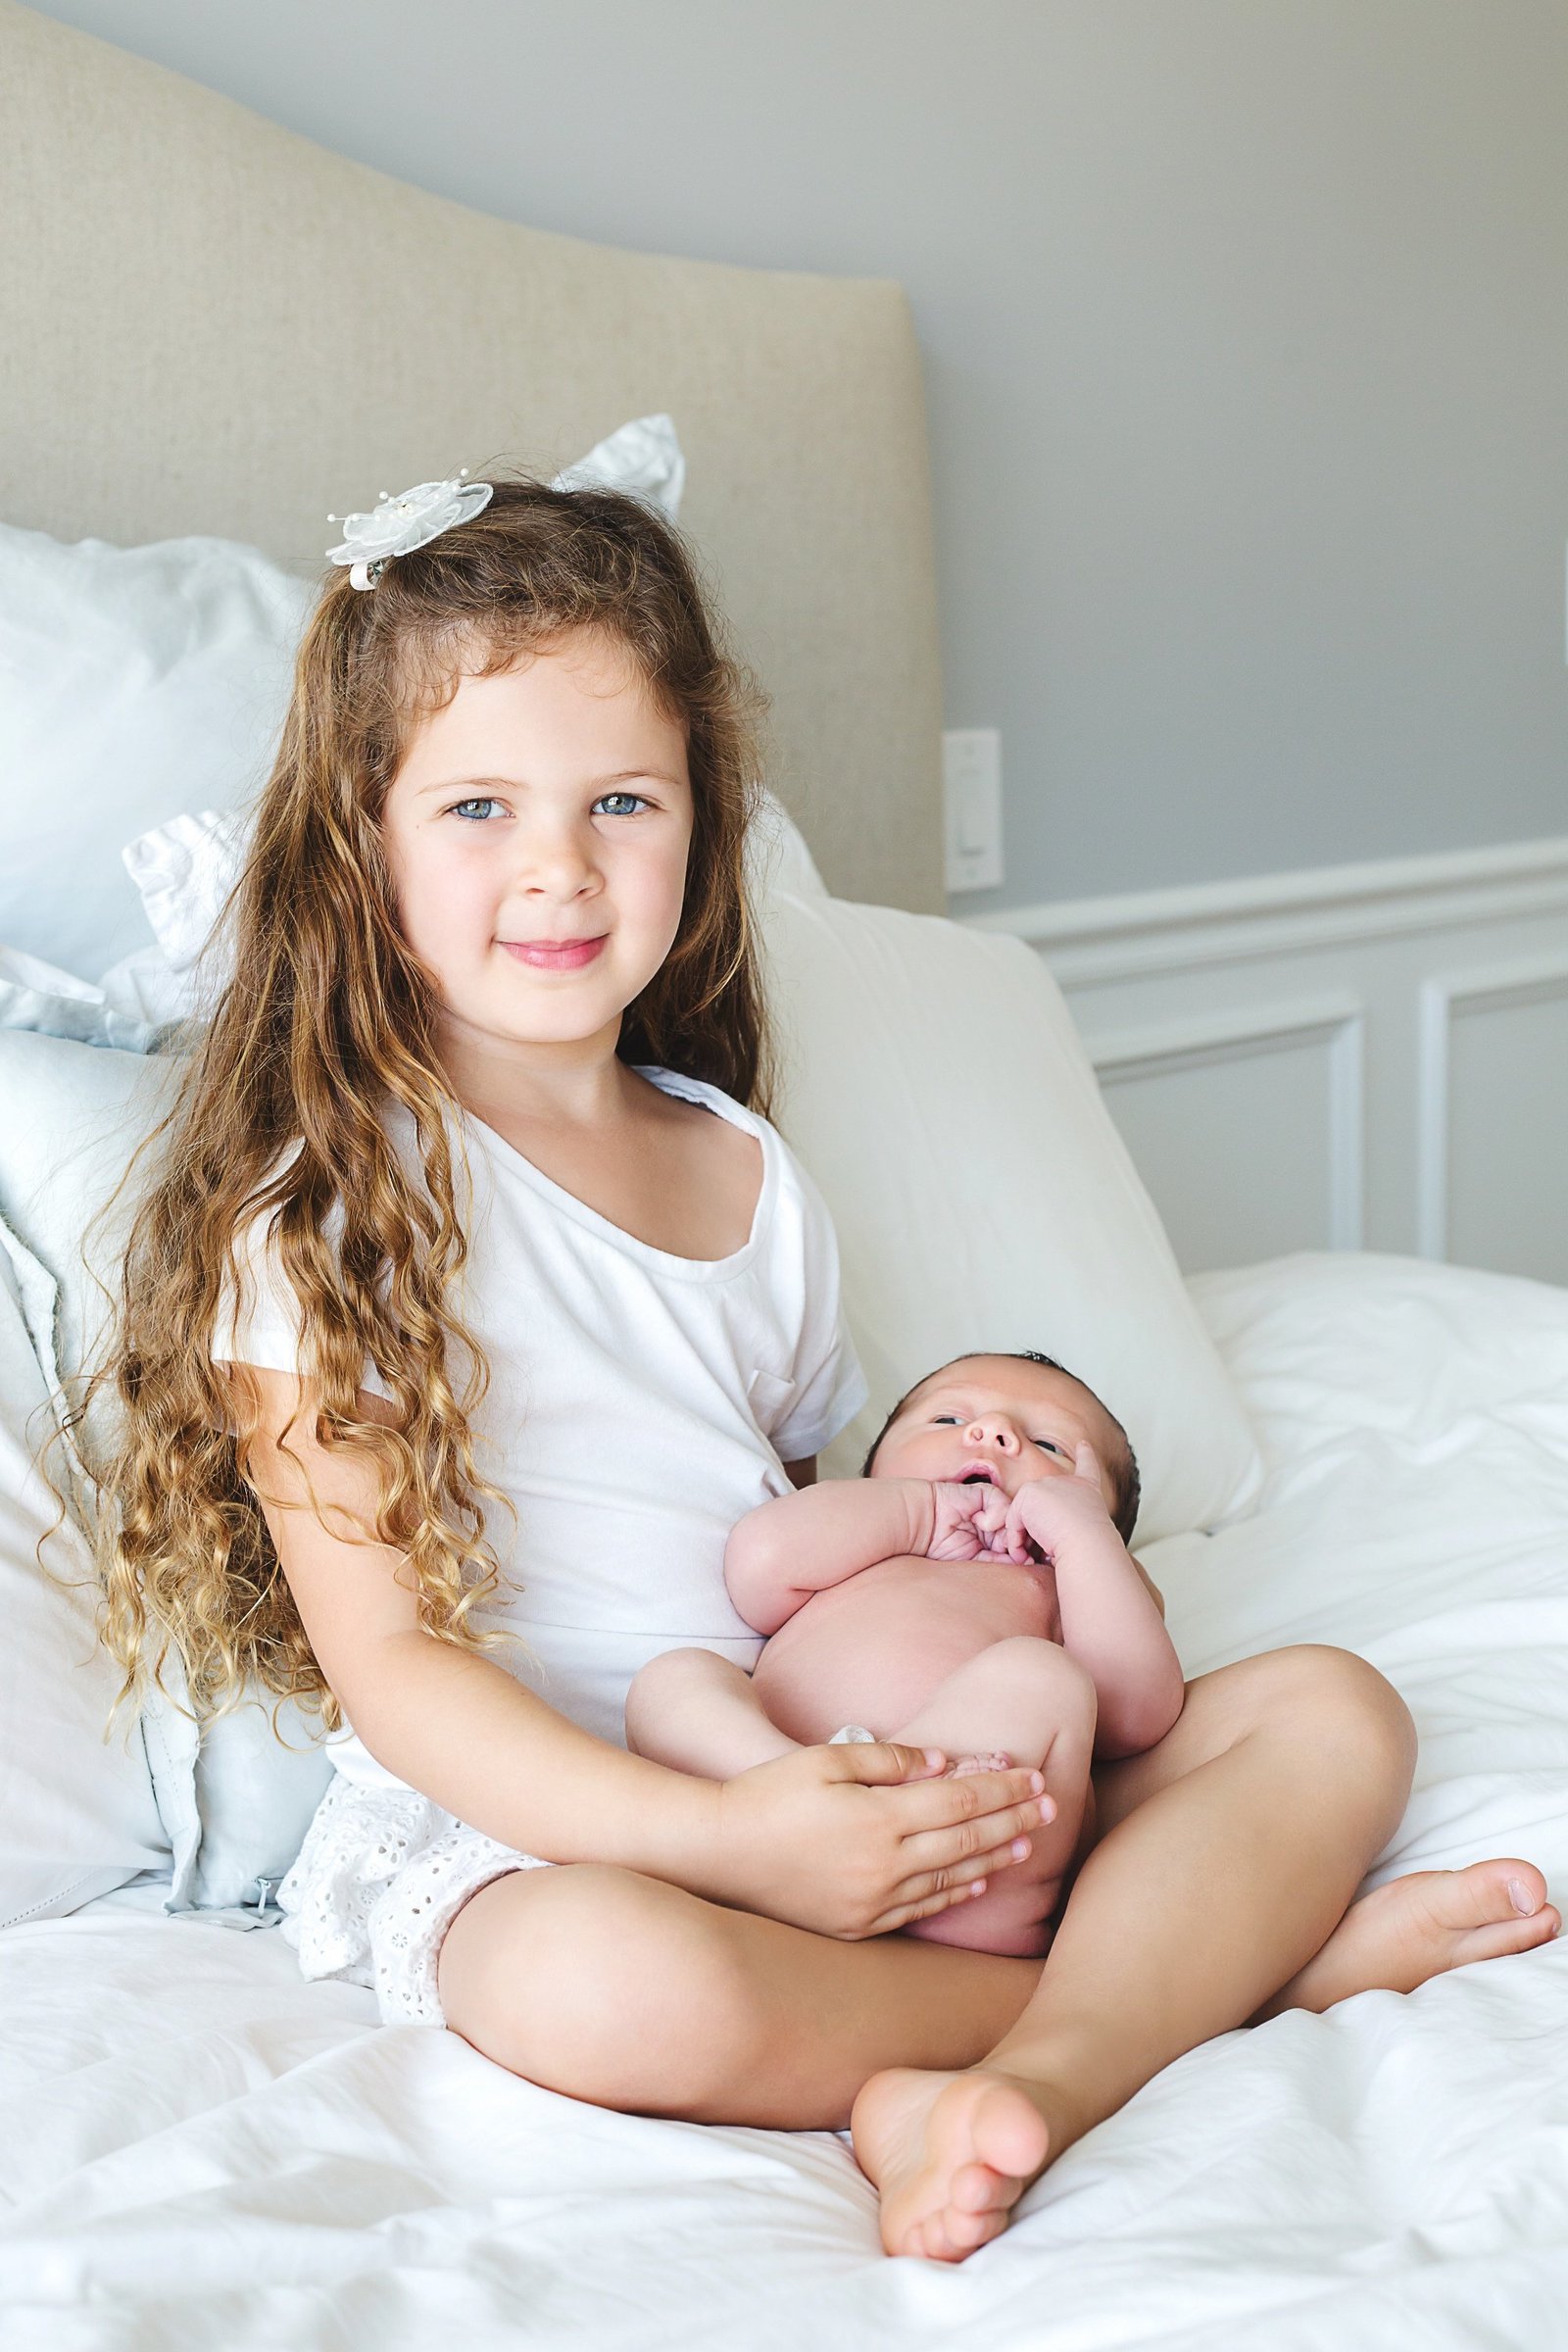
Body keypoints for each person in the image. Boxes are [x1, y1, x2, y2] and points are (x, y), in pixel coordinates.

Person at [83, 473, 1559, 2270]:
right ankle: (1221, 1984)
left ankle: (1063, 2024)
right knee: (605, 1990)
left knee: (1330, 1708)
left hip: (829, 1747)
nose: (559, 866)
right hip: (576, 1815)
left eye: (623, 802)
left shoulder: (741, 1172)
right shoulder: (328, 1209)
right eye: (480, 806)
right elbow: (396, 1669)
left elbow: (792, 1524)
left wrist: (903, 1745)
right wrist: (725, 1837)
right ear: (363, 841)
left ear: (699, 826)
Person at [625, 1350, 1184, 1959]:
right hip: (775, 1793)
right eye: (946, 1421)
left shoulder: (1080, 1574)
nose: (993, 1431)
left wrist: (1082, 1539)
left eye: (1048, 1445)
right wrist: (921, 1512)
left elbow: (1135, 1713)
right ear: (874, 1469)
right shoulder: (866, 1531)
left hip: (957, 1840)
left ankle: (932, 1858)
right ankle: (789, 1810)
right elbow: (759, 1566)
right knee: (677, 1678)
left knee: (1042, 1676)